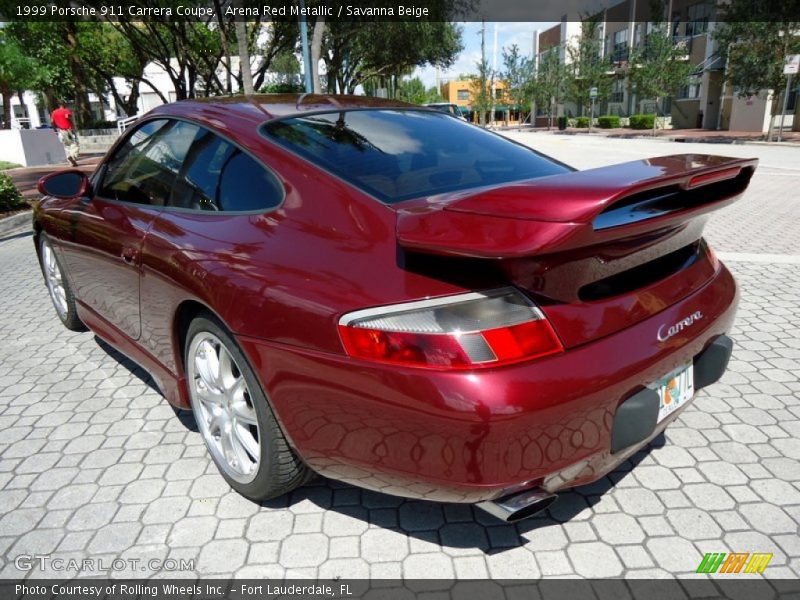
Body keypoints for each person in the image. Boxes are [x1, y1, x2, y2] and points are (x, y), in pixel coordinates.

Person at [50, 101, 79, 167]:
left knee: (66, 146)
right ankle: (73, 157)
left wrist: (55, 130)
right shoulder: (66, 111)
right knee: (75, 144)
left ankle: (71, 162)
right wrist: (73, 127)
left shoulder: (54, 112)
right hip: (69, 130)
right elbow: (68, 118)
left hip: (60, 131)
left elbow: (52, 122)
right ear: (64, 104)